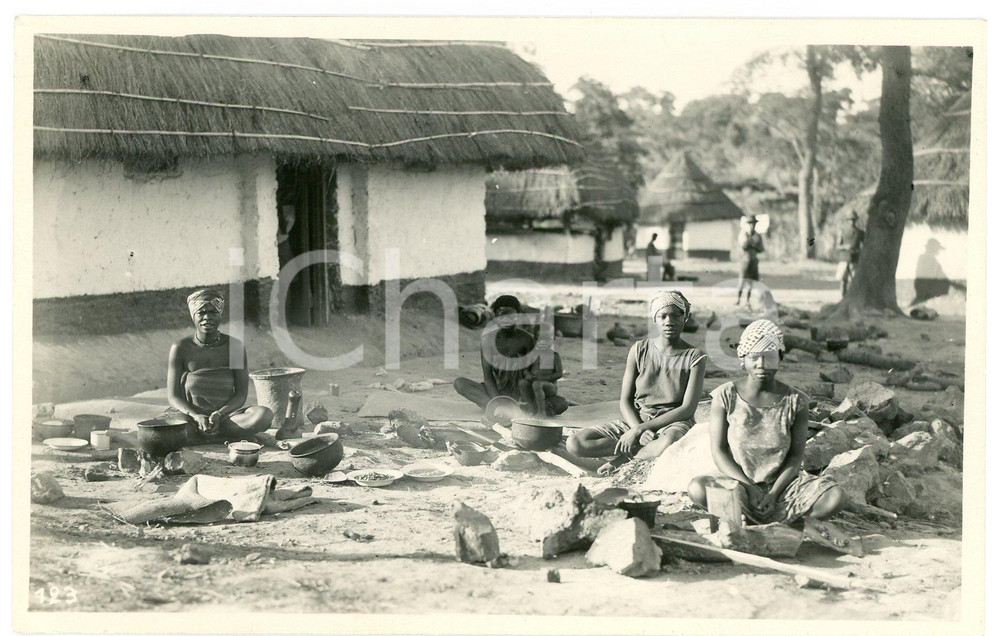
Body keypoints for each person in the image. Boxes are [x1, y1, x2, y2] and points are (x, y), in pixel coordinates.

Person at [688, 320, 847, 524]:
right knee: (698, 488)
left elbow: (795, 457)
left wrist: (773, 494)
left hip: (783, 488)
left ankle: (749, 517)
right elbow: (719, 451)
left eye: (769, 358)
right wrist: (749, 488)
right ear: (743, 358)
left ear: (780, 358)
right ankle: (783, 520)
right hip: (738, 484)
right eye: (754, 358)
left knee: (835, 497)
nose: (761, 365)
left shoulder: (796, 401)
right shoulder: (725, 396)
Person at [567, 291, 707, 476]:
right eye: (662, 316)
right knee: (575, 443)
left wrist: (640, 431)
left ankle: (622, 459)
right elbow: (625, 400)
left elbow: (687, 409)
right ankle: (640, 451)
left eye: (676, 315)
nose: (669, 321)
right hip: (639, 418)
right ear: (654, 319)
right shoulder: (639, 349)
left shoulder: (695, 356)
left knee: (668, 442)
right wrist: (636, 429)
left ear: (686, 318)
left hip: (672, 423)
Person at [166, 289, 273, 443]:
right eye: (201, 313)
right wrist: (196, 416)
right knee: (169, 428)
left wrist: (219, 414)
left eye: (213, 312)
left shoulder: (234, 347)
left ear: (220, 315)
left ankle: (206, 436)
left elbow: (241, 394)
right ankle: (224, 436)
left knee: (263, 414)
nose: (207, 317)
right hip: (191, 418)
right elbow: (173, 396)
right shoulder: (181, 347)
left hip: (226, 418)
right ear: (193, 316)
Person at [453, 295, 569, 416]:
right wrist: (498, 400)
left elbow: (539, 370)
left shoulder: (527, 339)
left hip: (524, 395)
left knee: (562, 403)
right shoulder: (487, 341)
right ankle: (502, 408)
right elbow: (488, 378)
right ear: (495, 317)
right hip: (497, 392)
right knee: (460, 383)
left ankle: (514, 410)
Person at [518, 326, 564, 416]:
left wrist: (543, 378)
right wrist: (527, 374)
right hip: (534, 383)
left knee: (537, 384)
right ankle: (530, 409)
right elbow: (525, 370)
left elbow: (559, 374)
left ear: (553, 340)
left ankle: (541, 412)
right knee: (523, 383)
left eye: (548, 340)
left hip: (549, 387)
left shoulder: (554, 356)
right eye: (540, 339)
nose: (544, 342)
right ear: (535, 340)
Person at [735, 215, 765, 309]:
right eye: (750, 224)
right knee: (742, 280)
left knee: (751, 282)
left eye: (754, 224)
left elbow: (761, 248)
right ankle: (738, 299)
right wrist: (752, 244)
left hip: (753, 259)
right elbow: (743, 246)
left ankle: (747, 300)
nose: (752, 226)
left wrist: (753, 246)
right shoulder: (743, 234)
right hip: (745, 259)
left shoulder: (758, 236)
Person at [835, 210, 865, 298]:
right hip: (844, 258)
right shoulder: (842, 231)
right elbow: (838, 246)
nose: (852, 222)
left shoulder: (860, 232)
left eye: (854, 220)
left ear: (856, 220)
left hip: (855, 258)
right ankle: (843, 297)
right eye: (850, 220)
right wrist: (845, 247)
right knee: (843, 279)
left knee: (854, 280)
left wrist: (859, 250)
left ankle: (852, 297)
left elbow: (865, 245)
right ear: (847, 220)